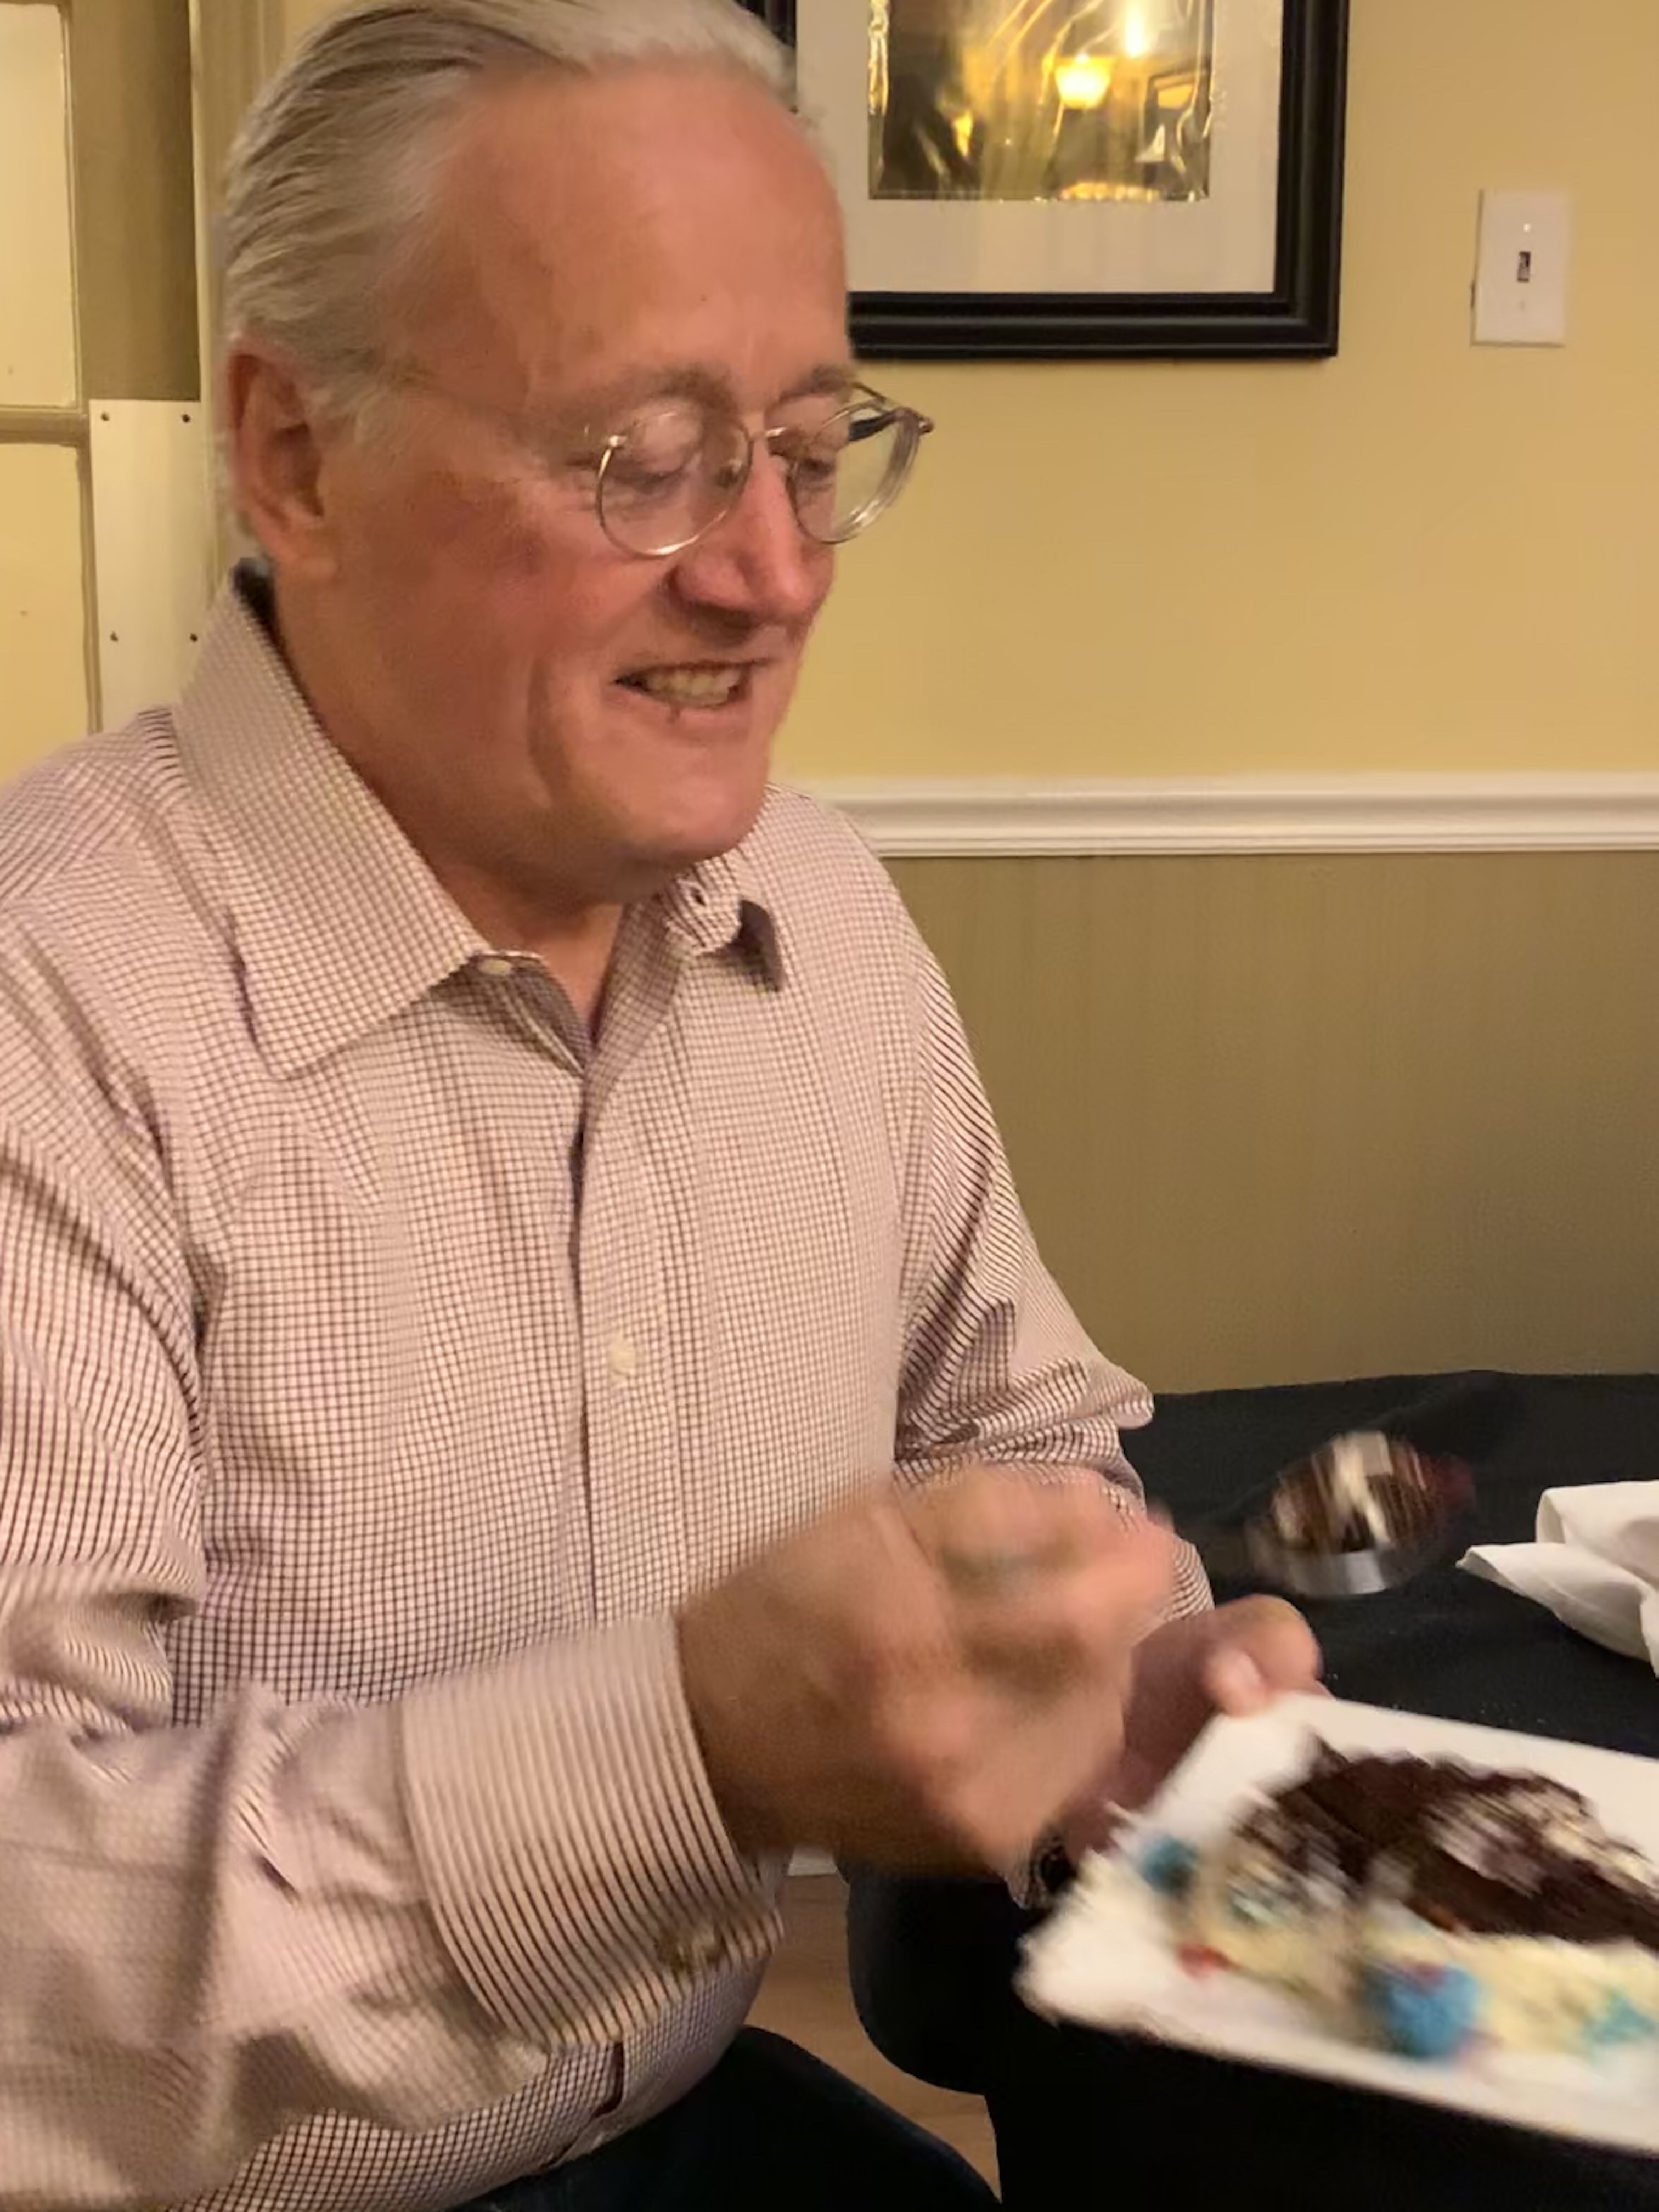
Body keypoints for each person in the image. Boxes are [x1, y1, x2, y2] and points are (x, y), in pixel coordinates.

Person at [0, 3, 1321, 2205]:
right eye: (645, 453)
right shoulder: (56, 1005)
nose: (773, 574)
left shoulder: (825, 915)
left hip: (688, 2124)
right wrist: (683, 1754)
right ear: (294, 456)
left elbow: (1008, 1427)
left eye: (806, 447)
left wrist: (1119, 1665)